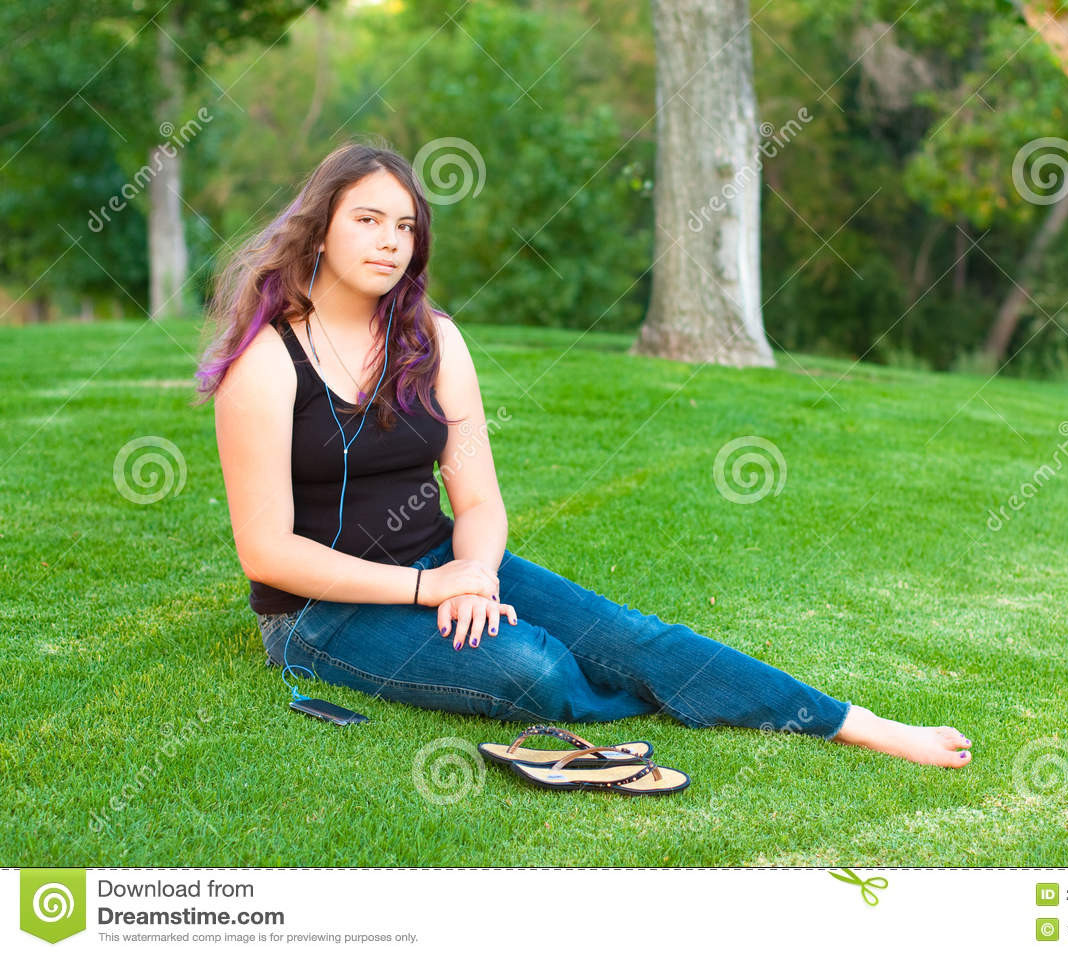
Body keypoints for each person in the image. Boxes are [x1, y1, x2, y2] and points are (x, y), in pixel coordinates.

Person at [194, 140, 972, 769]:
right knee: (536, 670)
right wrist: (432, 588)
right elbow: (266, 552)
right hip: (322, 616)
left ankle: (853, 723)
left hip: (447, 563)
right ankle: (643, 692)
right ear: (321, 226)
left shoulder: (434, 338)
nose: (391, 242)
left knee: (636, 636)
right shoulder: (264, 362)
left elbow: (480, 501)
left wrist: (471, 574)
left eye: (406, 227)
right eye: (369, 220)